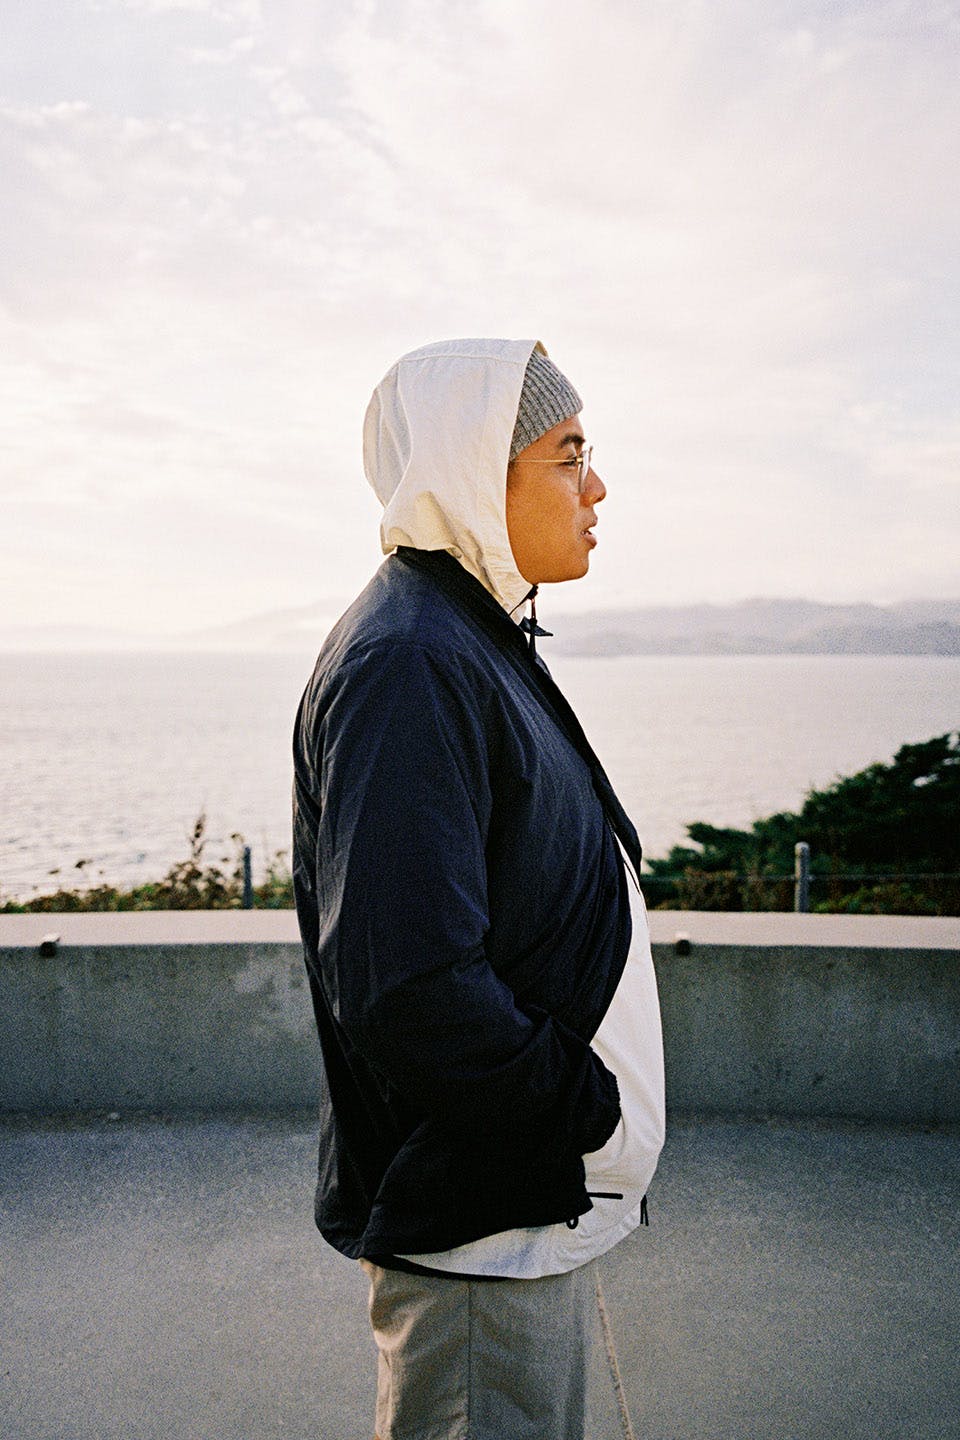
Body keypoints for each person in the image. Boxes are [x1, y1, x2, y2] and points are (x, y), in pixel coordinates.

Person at [292, 338, 665, 1440]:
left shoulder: (462, 630)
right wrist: (582, 1110)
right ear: (469, 469)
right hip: (482, 1231)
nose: (598, 487)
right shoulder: (411, 661)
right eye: (569, 455)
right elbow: (407, 986)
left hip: (516, 1208)